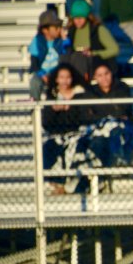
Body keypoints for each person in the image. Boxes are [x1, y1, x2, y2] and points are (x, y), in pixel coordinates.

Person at [41, 63, 90, 192]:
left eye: (67, 77)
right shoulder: (51, 96)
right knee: (49, 147)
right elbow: (46, 122)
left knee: (77, 147)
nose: (64, 80)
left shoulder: (79, 94)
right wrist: (54, 111)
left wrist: (69, 109)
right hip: (56, 135)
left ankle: (73, 185)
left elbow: (82, 118)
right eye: (61, 77)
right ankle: (56, 183)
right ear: (56, 79)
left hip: (76, 134)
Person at [83, 60, 133, 167]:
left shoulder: (122, 87)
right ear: (95, 77)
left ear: (111, 73)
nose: (104, 78)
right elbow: (89, 115)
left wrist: (102, 111)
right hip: (100, 128)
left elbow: (123, 111)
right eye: (100, 75)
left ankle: (120, 162)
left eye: (106, 73)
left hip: (122, 127)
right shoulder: (91, 91)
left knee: (117, 133)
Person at [62, 0, 119, 81]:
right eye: (75, 18)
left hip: (94, 64)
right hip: (75, 63)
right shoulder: (70, 31)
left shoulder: (98, 29)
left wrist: (93, 53)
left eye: (81, 18)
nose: (78, 21)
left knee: (80, 58)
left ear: (87, 17)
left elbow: (114, 49)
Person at [28, 10, 69, 101]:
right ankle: (35, 105)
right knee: (35, 81)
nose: (59, 29)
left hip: (59, 74)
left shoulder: (61, 41)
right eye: (55, 27)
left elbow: (67, 55)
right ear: (45, 30)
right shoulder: (37, 41)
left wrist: (65, 39)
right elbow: (34, 63)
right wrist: (43, 75)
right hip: (43, 74)